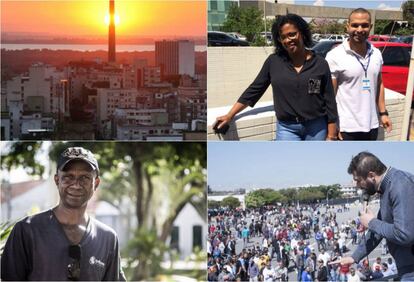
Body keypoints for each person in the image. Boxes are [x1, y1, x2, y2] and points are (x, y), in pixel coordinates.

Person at [1, 147, 126, 281]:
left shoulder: (107, 238)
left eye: (84, 178)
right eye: (68, 177)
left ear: (96, 183)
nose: (76, 185)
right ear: (57, 180)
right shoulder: (27, 230)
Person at [214, 13, 338, 141]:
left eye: (292, 34)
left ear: (302, 33)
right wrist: (230, 115)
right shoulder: (274, 62)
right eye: (283, 37)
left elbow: (329, 100)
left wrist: (331, 135)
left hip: (316, 126)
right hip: (287, 128)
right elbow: (255, 90)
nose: (288, 40)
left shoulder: (320, 63)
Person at [332, 151, 414, 281]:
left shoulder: (400, 184)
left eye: (358, 180)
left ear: (371, 175)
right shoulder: (386, 188)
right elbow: (378, 232)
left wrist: (372, 222)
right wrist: (354, 257)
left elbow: (405, 234)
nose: (358, 185)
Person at [326, 8, 392, 140]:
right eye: (355, 25)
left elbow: (379, 84)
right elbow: (329, 96)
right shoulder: (334, 56)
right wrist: (333, 127)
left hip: (372, 125)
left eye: (365, 25)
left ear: (370, 27)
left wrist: (383, 113)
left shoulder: (376, 53)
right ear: (347, 26)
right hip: (346, 128)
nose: (360, 29)